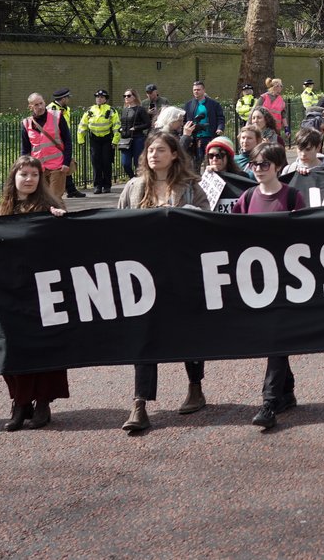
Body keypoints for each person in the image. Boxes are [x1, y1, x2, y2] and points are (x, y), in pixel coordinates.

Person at [0, 157, 70, 430]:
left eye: (34, 174)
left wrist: (62, 222)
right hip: (11, 288)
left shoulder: (51, 206)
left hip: (43, 288)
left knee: (44, 345)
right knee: (11, 346)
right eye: (23, 174)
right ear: (13, 178)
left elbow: (66, 244)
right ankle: (20, 402)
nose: (29, 179)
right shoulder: (4, 210)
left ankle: (43, 403)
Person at [117, 133, 209, 432]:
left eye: (160, 150)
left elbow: (207, 223)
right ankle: (139, 403)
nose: (153, 154)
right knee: (143, 337)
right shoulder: (133, 188)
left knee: (187, 332)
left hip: (180, 270)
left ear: (174, 154)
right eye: (150, 150)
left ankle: (195, 387)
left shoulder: (190, 187)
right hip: (142, 275)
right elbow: (113, 226)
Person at [231, 142, 305, 430]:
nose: (258, 169)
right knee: (272, 337)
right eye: (254, 164)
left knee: (276, 336)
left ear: (276, 166)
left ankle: (269, 401)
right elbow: (230, 230)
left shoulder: (292, 196)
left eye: (264, 164)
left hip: (287, 280)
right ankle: (286, 391)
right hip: (258, 281)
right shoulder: (248, 197)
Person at [20, 92, 73, 203]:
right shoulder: (26, 123)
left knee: (55, 199)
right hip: (38, 168)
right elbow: (25, 149)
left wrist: (66, 163)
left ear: (44, 102)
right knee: (41, 200)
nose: (40, 107)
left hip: (57, 166)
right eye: (36, 105)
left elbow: (68, 141)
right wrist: (25, 167)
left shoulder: (57, 116)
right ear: (30, 107)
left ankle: (59, 219)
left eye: (41, 103)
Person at [78, 90, 120, 194]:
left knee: (106, 162)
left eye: (101, 97)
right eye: (97, 97)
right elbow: (82, 125)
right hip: (94, 139)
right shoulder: (90, 110)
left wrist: (115, 141)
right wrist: (81, 139)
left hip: (107, 139)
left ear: (105, 99)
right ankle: (97, 186)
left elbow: (116, 126)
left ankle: (107, 185)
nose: (99, 99)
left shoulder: (111, 110)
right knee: (96, 162)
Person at [47, 89, 87, 198]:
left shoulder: (65, 109)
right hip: (56, 142)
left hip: (64, 140)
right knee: (62, 165)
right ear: (63, 98)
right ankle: (67, 190)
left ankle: (71, 189)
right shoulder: (52, 109)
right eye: (67, 98)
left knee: (66, 164)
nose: (69, 100)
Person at [182, 80, 226, 163]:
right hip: (194, 138)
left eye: (198, 90)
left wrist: (220, 128)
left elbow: (220, 118)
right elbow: (184, 120)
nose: (196, 92)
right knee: (196, 161)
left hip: (210, 137)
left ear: (204, 90)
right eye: (194, 90)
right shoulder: (188, 105)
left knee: (211, 160)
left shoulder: (214, 104)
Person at [117, 89, 152, 181]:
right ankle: (133, 179)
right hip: (125, 139)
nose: (126, 98)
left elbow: (147, 124)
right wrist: (120, 129)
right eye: (124, 96)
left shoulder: (140, 109)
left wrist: (136, 128)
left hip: (138, 139)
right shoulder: (124, 110)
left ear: (134, 97)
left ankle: (140, 181)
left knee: (138, 163)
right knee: (125, 163)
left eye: (128, 96)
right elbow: (123, 123)